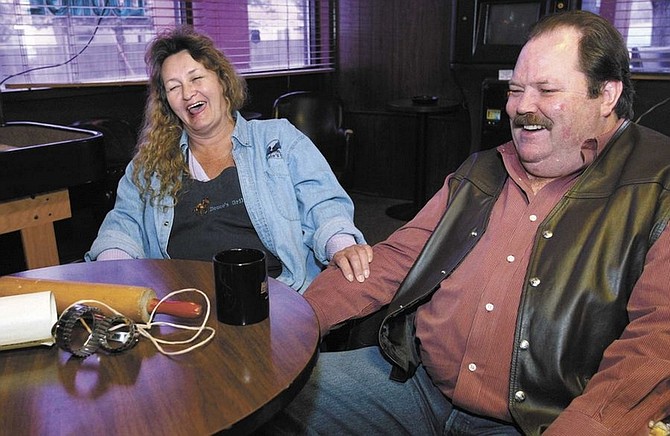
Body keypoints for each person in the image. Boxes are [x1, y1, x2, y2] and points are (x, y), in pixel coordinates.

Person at [261, 10, 670, 435]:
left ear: (606, 95)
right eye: (515, 90)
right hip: (415, 382)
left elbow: (657, 342)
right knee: (265, 398)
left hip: (537, 422)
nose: (522, 107)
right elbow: (394, 259)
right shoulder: (481, 170)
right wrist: (289, 326)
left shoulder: (657, 185)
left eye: (547, 90)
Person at [84, 26, 373, 293]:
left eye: (196, 78)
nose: (187, 93)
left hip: (274, 297)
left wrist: (342, 245)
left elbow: (322, 203)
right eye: (173, 87)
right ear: (167, 103)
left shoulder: (278, 140)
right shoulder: (149, 166)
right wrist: (113, 269)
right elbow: (123, 225)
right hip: (182, 306)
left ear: (222, 80)